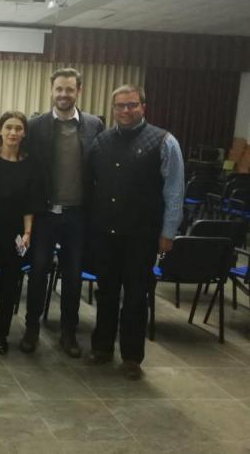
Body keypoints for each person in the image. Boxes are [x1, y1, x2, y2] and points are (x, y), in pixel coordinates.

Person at [0, 67, 103, 357]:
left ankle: (68, 333)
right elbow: (12, 152)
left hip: (77, 214)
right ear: (51, 90)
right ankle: (31, 330)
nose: (63, 94)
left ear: (78, 91)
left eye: (69, 89)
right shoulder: (36, 125)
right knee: (37, 273)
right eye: (59, 88)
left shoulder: (95, 125)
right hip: (44, 213)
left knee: (72, 276)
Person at [85, 84, 184, 380]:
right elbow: (93, 186)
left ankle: (131, 357)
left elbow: (175, 191)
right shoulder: (101, 141)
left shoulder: (165, 142)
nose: (126, 111)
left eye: (131, 105)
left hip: (142, 234)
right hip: (106, 232)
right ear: (113, 108)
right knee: (106, 293)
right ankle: (102, 348)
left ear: (143, 106)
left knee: (136, 297)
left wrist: (168, 233)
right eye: (120, 106)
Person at [0, 111, 44, 355]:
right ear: (0, 130)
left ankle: (1, 333)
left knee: (9, 287)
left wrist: (27, 233)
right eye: (8, 127)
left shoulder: (31, 164)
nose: (13, 132)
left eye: (18, 128)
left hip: (14, 234)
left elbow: (30, 204)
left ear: (24, 133)